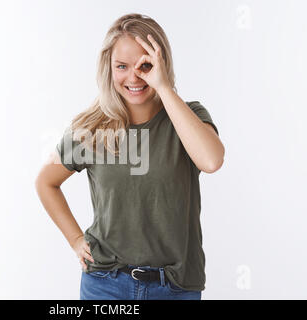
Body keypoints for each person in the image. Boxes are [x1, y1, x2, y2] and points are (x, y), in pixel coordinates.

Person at [35, 13, 224, 300]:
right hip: (105, 284)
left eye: (145, 65)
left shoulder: (190, 117)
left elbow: (211, 161)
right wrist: (75, 239)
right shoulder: (92, 128)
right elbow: (46, 182)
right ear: (108, 68)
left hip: (175, 287)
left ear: (161, 64)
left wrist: (163, 87)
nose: (134, 77)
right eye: (122, 66)